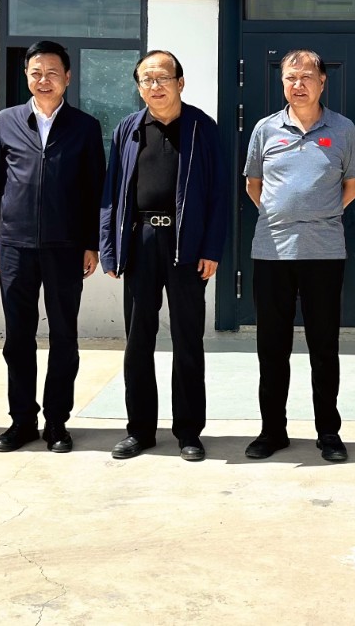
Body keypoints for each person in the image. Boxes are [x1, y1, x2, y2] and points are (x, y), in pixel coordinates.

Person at [99, 50, 228, 461]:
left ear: (180, 83)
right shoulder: (128, 129)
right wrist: (110, 248)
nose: (155, 86)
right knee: (138, 340)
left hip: (186, 245)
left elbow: (220, 193)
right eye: (147, 80)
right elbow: (112, 192)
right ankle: (140, 430)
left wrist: (211, 248)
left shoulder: (202, 127)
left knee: (188, 339)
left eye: (163, 78)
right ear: (139, 87)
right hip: (141, 242)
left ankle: (189, 432)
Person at [243, 49, 355, 463]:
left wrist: (319, 214)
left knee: (324, 347)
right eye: (290, 78)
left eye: (307, 76)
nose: (298, 84)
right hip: (272, 251)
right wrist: (281, 216)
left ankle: (328, 432)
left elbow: (353, 185)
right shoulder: (265, 129)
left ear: (322, 81)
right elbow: (254, 185)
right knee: (271, 347)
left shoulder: (343, 129)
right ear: (282, 82)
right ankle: (272, 431)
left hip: (324, 253)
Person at [0, 41, 104, 453]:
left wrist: (92, 243)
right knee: (18, 338)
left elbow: (95, 189)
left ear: (67, 77)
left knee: (64, 336)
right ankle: (21, 421)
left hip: (66, 247)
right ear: (26, 76)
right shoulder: (7, 121)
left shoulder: (85, 127)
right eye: (36, 73)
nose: (44, 80)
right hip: (15, 245)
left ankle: (56, 422)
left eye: (52, 73)